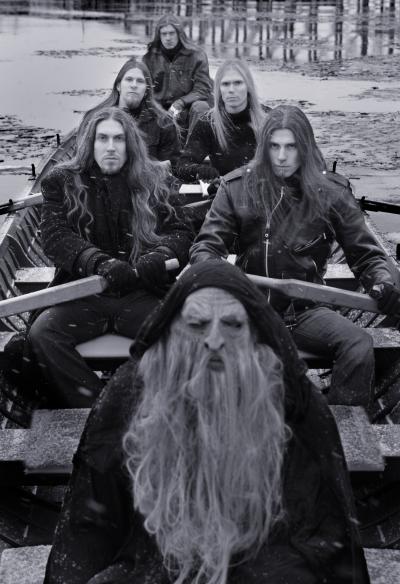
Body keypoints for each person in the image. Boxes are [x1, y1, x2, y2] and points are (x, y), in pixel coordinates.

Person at [44, 260, 369, 584]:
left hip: (267, 555)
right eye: (197, 325)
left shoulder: (294, 399)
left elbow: (323, 528)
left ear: (255, 333)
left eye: (232, 324)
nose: (214, 340)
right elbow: (90, 525)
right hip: (157, 554)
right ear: (173, 330)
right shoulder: (131, 390)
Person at [190, 105, 400, 408]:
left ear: (305, 148)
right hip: (247, 309)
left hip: (303, 312)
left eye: (291, 147)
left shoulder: (332, 191)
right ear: (264, 148)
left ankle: (342, 425)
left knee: (358, 345)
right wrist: (217, 272)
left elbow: (365, 254)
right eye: (274, 146)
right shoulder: (236, 187)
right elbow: (205, 248)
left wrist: (382, 280)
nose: (281, 156)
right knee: (201, 350)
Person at [28, 107, 192, 408]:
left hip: (143, 291)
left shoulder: (156, 178)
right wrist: (99, 263)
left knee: (185, 332)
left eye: (119, 139)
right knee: (42, 334)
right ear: (90, 144)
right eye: (102, 139)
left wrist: (159, 256)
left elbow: (181, 233)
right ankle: (99, 408)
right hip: (83, 293)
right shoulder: (60, 181)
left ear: (130, 144)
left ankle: (149, 403)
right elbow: (55, 237)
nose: (111, 147)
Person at [175, 58, 267, 195]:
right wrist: (199, 170)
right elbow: (182, 167)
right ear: (219, 89)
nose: (231, 90)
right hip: (225, 194)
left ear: (248, 86)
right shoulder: (208, 123)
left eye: (238, 83)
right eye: (225, 84)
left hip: (261, 191)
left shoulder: (267, 119)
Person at [79, 58, 180, 171]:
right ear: (118, 86)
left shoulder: (164, 122)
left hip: (146, 179)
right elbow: (83, 161)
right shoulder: (95, 117)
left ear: (146, 90)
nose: (134, 85)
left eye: (140, 81)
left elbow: (171, 166)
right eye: (129, 79)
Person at [142, 14, 213, 140]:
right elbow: (146, 91)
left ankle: (193, 147)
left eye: (171, 33)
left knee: (200, 107)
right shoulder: (149, 58)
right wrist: (159, 110)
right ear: (159, 35)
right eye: (164, 34)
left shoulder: (197, 55)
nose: (168, 38)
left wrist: (180, 102)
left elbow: (203, 89)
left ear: (179, 34)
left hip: (188, 106)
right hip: (161, 108)